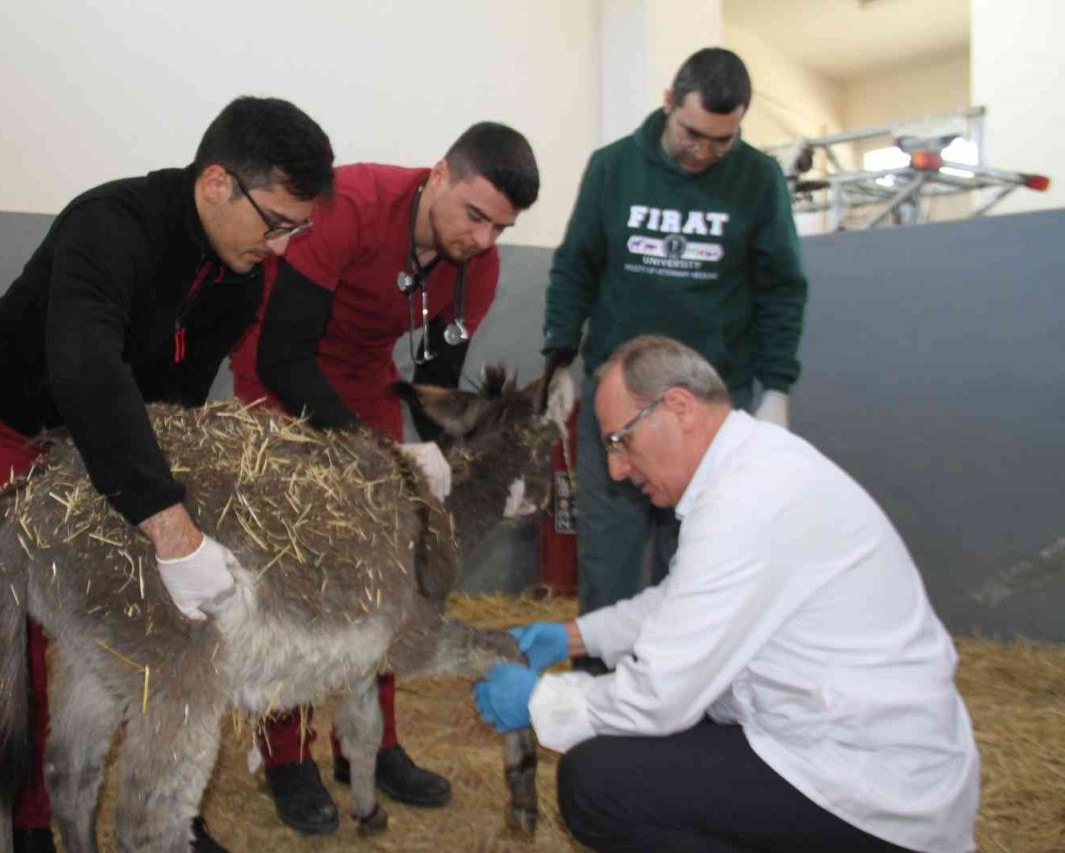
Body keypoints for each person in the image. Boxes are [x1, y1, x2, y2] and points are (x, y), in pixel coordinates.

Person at [0, 96, 334, 853]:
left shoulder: (240, 276)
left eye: (298, 228)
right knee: (13, 616)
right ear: (218, 183)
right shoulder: (109, 223)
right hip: (18, 426)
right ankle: (29, 816)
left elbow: (173, 406)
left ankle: (169, 811)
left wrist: (182, 517)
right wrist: (169, 526)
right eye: (277, 222)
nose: (284, 247)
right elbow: (86, 368)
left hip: (120, 440)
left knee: (161, 619)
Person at [473, 335, 980, 852]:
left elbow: (659, 698)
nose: (617, 469)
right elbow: (685, 603)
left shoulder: (746, 502)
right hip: (847, 747)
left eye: (619, 441)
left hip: (866, 785)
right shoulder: (753, 467)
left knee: (598, 784)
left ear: (678, 407)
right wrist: (573, 637)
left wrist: (539, 700)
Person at [230, 121, 539, 834]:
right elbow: (284, 351)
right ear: (437, 174)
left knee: (392, 567)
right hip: (280, 372)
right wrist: (376, 454)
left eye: (502, 226)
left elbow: (435, 382)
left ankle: (371, 744)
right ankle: (285, 755)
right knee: (293, 571)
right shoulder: (355, 203)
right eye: (475, 214)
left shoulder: (476, 267)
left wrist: (445, 462)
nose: (484, 238)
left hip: (367, 378)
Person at [541, 47, 809, 628]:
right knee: (608, 557)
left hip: (709, 409)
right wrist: (560, 358)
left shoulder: (758, 180)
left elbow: (781, 287)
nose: (704, 151)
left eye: (723, 139)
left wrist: (777, 388)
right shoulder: (613, 168)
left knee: (698, 562)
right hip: (619, 404)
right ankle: (600, 702)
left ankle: (684, 701)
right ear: (668, 102)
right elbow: (575, 267)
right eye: (693, 133)